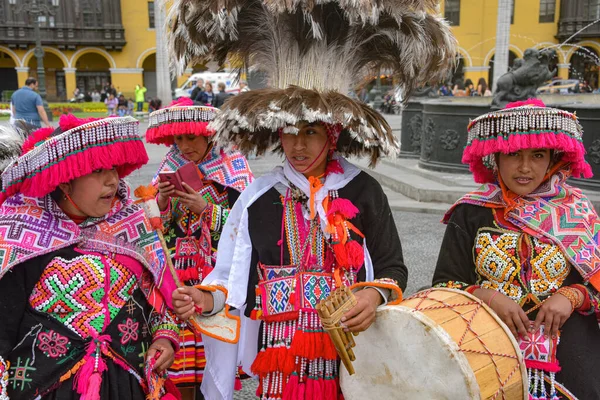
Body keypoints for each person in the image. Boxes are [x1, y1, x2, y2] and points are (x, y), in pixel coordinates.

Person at [165, 0, 455, 396]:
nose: (297, 146)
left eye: (310, 132)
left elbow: (392, 266)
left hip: (348, 351)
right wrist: (203, 297)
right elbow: (231, 280)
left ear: (332, 134)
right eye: (288, 132)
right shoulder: (258, 197)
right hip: (279, 353)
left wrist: (374, 293)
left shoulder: (362, 190)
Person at [0, 114, 181, 399]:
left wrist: (164, 338)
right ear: (64, 180)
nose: (112, 181)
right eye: (98, 171)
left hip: (128, 384)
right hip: (47, 386)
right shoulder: (19, 233)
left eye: (114, 168)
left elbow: (159, 301)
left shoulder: (131, 224)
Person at [432, 99, 600, 399]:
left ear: (553, 158)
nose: (525, 167)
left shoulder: (577, 213)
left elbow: (596, 282)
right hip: (482, 338)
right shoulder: (471, 212)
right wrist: (488, 297)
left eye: (537, 155)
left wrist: (571, 296)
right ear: (495, 158)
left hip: (567, 342)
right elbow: (445, 284)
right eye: (513, 154)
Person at [146, 97, 253, 400]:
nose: (184, 145)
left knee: (213, 354)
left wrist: (208, 208)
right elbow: (156, 226)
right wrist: (163, 202)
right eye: (178, 138)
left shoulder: (233, 166)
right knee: (180, 360)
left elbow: (247, 225)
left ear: (209, 135)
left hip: (214, 274)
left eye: (191, 137)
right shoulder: (170, 166)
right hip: (178, 272)